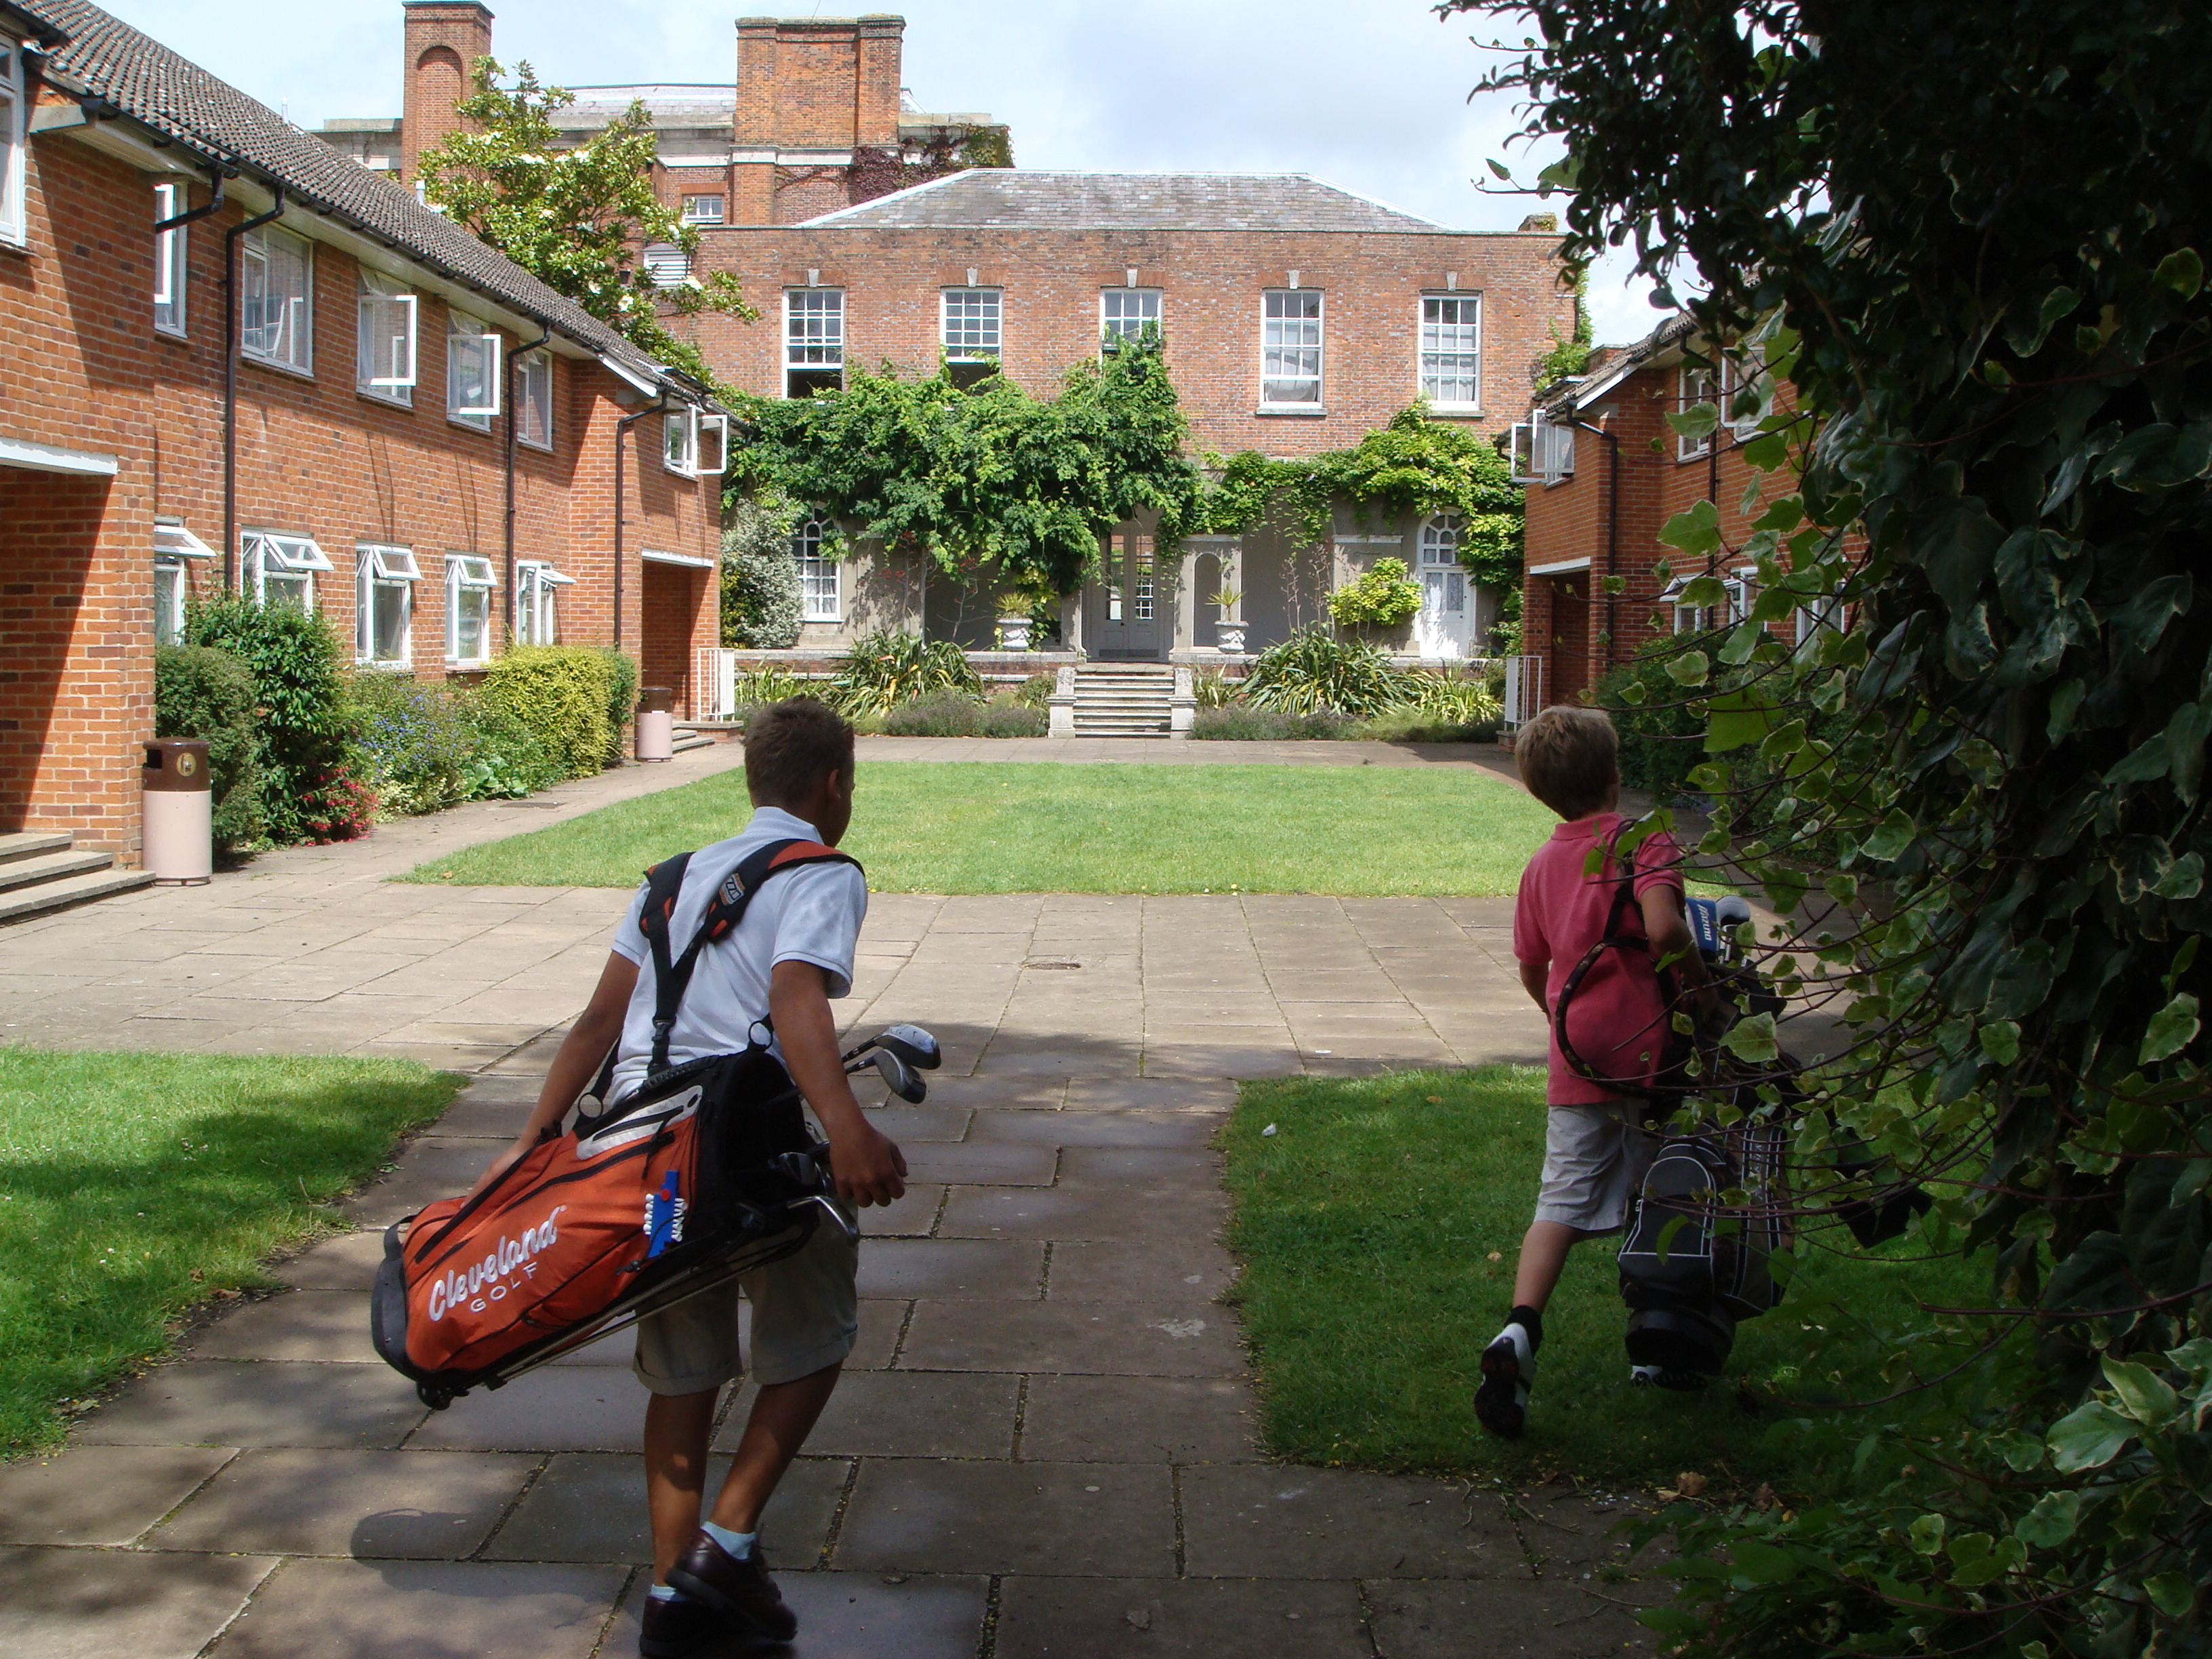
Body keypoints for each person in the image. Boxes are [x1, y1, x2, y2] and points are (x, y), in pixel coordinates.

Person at [470, 697, 907, 1656]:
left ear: (754, 778)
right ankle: (726, 1542)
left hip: (640, 1162)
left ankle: (674, 1605)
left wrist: (534, 1138)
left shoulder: (668, 881)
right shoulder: (822, 873)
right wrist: (848, 1129)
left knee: (683, 1371)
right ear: (835, 785)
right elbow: (797, 1001)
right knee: (816, 1330)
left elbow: (595, 1027)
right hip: (741, 1153)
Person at [1476, 704, 1711, 1439]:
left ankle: (1518, 1332)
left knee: (1560, 1202)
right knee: (1662, 1192)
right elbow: (1666, 927)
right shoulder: (1647, 842)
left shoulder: (1541, 865)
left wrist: (1559, 1020)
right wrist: (1705, 1001)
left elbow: (1532, 964)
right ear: (1615, 775)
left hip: (1578, 1055)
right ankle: (1657, 1343)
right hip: (1651, 1048)